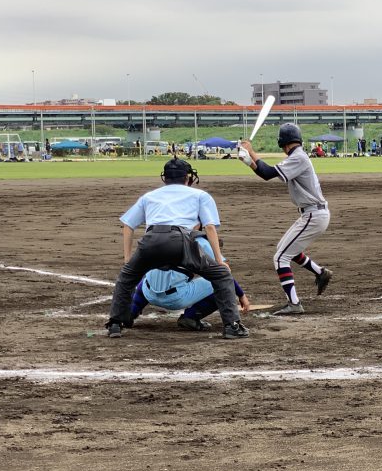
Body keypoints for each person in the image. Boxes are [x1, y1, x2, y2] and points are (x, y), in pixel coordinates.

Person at [105, 158, 249, 339]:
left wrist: (127, 260)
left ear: (164, 178)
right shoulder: (200, 196)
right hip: (180, 241)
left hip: (151, 239)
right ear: (188, 177)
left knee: (126, 278)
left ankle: (115, 324)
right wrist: (219, 261)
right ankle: (232, 326)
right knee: (221, 275)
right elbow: (210, 227)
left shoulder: (149, 196)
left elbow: (128, 225)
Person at [238, 123, 333, 316]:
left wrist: (250, 156)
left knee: (281, 257)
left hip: (314, 215)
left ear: (283, 141)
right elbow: (267, 173)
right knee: (285, 249)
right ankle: (320, 272)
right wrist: (250, 159)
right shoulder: (297, 156)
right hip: (312, 214)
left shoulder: (297, 158)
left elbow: (267, 173)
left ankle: (294, 303)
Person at [130, 230, 251, 331]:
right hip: (174, 299)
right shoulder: (203, 244)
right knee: (220, 284)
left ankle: (129, 314)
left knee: (150, 277)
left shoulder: (165, 233)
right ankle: (191, 317)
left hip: (148, 293)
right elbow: (224, 277)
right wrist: (241, 294)